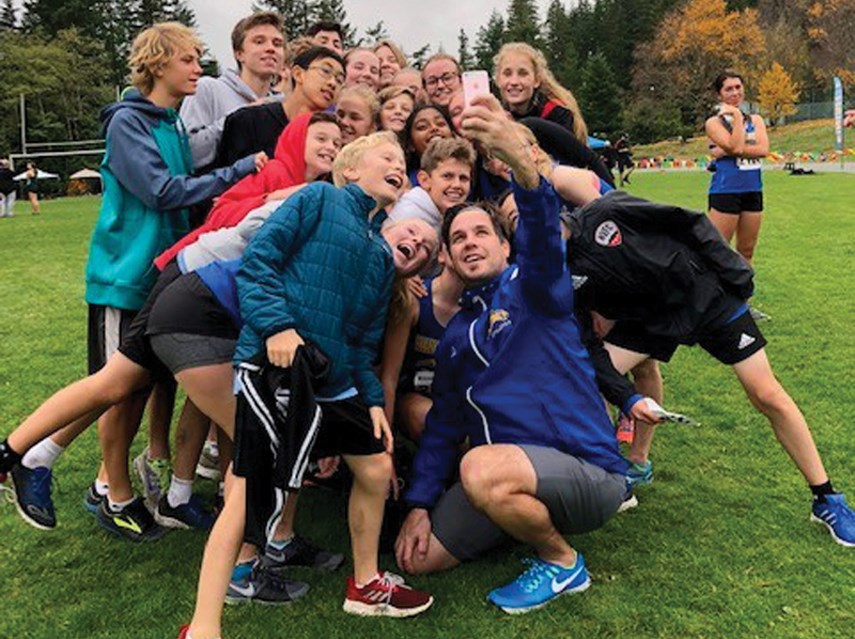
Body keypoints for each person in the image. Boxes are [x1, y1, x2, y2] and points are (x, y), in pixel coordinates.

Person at [0, 22, 266, 533]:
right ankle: (96, 487)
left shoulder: (172, 124)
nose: (198, 69)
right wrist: (240, 172)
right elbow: (163, 191)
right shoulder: (128, 122)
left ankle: (51, 460)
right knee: (115, 386)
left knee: (131, 385)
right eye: (188, 59)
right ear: (159, 62)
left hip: (161, 276)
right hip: (123, 277)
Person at [179, 132, 437, 639]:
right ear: (350, 169)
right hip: (276, 368)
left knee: (377, 465)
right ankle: (204, 626)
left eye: (399, 161)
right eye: (385, 157)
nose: (396, 164)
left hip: (336, 381)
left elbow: (362, 344)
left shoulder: (381, 258)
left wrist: (372, 402)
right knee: (248, 490)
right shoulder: (318, 199)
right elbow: (258, 264)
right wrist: (276, 326)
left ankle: (366, 585)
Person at [394, 95, 630, 614]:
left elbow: (545, 241)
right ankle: (516, 517)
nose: (471, 243)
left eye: (482, 233)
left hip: (586, 470)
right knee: (419, 557)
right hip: (510, 470)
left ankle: (562, 561)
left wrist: (527, 173)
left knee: (479, 468)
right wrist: (418, 505)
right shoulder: (459, 334)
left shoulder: (533, 288)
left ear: (505, 247)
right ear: (448, 259)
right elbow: (442, 428)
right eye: (458, 239)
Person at [179, 11, 285, 173]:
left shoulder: (282, 106)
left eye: (277, 44)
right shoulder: (208, 89)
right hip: (215, 195)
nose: (270, 48)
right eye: (259, 41)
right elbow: (189, 155)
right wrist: (238, 118)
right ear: (239, 53)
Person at [216, 47, 344, 168]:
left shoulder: (332, 142)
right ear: (298, 74)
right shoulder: (248, 121)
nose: (332, 83)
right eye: (325, 71)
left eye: (339, 80)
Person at [705, 72, 769, 271]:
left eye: (738, 87)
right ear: (719, 94)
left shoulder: (757, 120)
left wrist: (724, 150)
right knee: (719, 252)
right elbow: (737, 148)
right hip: (726, 191)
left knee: (747, 251)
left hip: (753, 189)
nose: (735, 92)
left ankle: (743, 301)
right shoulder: (714, 123)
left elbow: (763, 150)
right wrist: (738, 118)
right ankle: (716, 300)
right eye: (728, 89)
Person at [493, 42, 588, 142]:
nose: (514, 82)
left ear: (536, 80)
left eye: (523, 74)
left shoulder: (558, 115)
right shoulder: (494, 119)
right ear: (498, 80)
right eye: (507, 74)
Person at [388, 136, 474, 229]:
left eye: (463, 178)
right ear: (424, 180)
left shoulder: (443, 217)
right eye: (447, 176)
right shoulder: (405, 218)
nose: (457, 185)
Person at [402, 104, 455, 186]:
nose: (434, 128)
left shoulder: (474, 169)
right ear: (410, 144)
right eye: (422, 127)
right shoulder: (406, 184)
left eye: (440, 123)